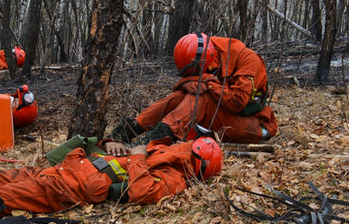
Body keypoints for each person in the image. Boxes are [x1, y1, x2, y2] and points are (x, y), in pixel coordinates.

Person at [0, 136, 223, 224]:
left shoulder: (174, 178)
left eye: (185, 151)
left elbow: (143, 191)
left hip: (64, 189)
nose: (178, 150)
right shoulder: (159, 154)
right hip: (54, 172)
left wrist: (141, 157)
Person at [111, 33, 278, 144]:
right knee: (182, 95)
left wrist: (207, 80)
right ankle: (126, 131)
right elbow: (190, 84)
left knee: (200, 96)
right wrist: (186, 83)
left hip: (253, 125)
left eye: (198, 73)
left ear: (210, 61)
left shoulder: (247, 59)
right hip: (222, 118)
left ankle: (150, 142)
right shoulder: (211, 56)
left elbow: (237, 102)